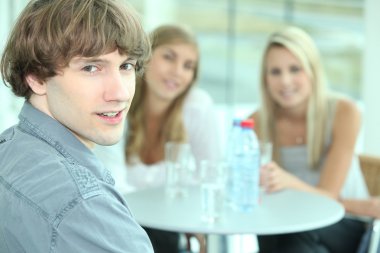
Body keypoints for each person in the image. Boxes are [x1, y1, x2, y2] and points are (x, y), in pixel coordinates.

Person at [0, 0, 153, 252]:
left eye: (126, 66)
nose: (121, 93)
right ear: (37, 78)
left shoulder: (8, 148)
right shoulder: (83, 207)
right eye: (91, 67)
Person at [95, 24, 219, 253]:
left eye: (188, 66)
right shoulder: (117, 102)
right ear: (145, 57)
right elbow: (115, 190)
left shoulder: (197, 106)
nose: (178, 72)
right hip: (120, 223)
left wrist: (192, 221)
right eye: (169, 58)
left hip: (171, 227)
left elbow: (211, 174)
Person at [250, 26, 374, 253]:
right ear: (265, 79)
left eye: (295, 69)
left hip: (348, 223)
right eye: (275, 72)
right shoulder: (256, 123)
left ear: (312, 71)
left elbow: (328, 197)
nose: (285, 81)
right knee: (275, 230)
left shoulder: (344, 112)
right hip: (292, 227)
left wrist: (287, 182)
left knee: (295, 231)